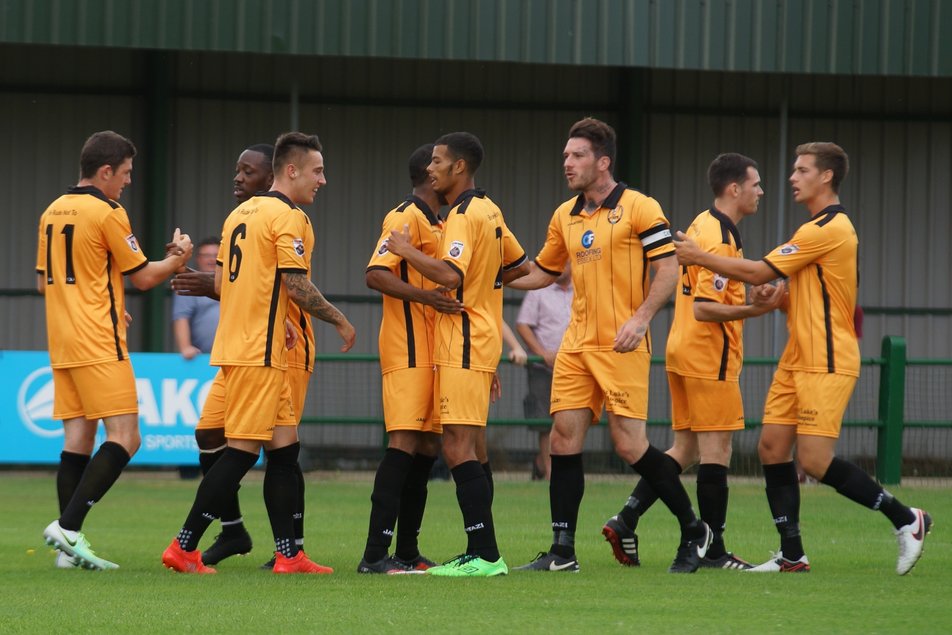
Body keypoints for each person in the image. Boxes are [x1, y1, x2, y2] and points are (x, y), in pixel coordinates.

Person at [674, 141, 932, 575]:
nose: (792, 178)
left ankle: (906, 519)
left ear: (826, 176)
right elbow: (798, 291)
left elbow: (757, 270)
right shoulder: (810, 229)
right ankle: (792, 554)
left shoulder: (829, 228)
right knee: (772, 448)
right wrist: (776, 298)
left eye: (802, 170)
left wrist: (700, 257)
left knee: (813, 460)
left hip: (827, 360)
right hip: (797, 358)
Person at [509, 117, 712, 574]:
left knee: (628, 445)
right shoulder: (565, 215)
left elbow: (669, 269)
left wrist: (641, 319)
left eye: (576, 155)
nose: (567, 162)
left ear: (603, 162)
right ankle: (562, 552)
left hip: (622, 345)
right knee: (562, 441)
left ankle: (693, 528)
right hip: (577, 346)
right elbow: (543, 272)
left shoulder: (640, 207)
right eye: (565, 155)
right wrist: (492, 278)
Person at [162, 132, 356, 574]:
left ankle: (290, 555)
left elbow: (245, 284)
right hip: (261, 353)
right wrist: (340, 320)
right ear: (292, 171)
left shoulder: (240, 215)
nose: (322, 181)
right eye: (317, 171)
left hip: (238, 347)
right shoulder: (291, 217)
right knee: (244, 451)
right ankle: (185, 545)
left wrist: (282, 319)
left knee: (284, 450)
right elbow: (295, 284)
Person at [602, 153, 784, 571]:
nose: (761, 191)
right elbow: (706, 307)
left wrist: (747, 297)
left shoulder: (702, 223)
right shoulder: (719, 236)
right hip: (708, 356)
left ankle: (626, 518)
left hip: (681, 350)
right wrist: (756, 310)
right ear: (734, 188)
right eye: (755, 184)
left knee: (683, 448)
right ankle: (714, 549)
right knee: (718, 449)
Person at [39, 130, 193, 570]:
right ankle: (67, 528)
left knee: (77, 440)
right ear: (105, 171)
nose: (127, 181)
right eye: (125, 173)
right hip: (98, 340)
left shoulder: (53, 210)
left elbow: (48, 280)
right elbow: (144, 276)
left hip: (63, 339)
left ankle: (68, 550)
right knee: (126, 437)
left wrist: (106, 300)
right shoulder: (108, 212)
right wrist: (180, 257)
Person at [385, 132, 530, 577]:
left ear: (459, 167)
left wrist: (407, 250)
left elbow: (449, 275)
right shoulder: (490, 209)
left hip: (463, 337)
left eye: (438, 161)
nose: (430, 169)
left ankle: (484, 556)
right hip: (480, 337)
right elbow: (520, 265)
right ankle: (485, 550)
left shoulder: (464, 216)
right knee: (474, 448)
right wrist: (485, 282)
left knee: (457, 445)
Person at [358, 144, 464, 574]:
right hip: (407, 349)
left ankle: (406, 551)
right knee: (402, 444)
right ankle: (373, 555)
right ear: (427, 170)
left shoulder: (438, 222)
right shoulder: (404, 216)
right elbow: (374, 273)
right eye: (438, 162)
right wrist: (425, 298)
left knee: (426, 448)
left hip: (433, 351)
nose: (443, 169)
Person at [515, 265, 573, 481]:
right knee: (544, 421)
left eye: (563, 261)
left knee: (569, 419)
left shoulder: (582, 288)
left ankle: (543, 464)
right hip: (542, 367)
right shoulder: (538, 289)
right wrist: (542, 354)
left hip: (572, 367)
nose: (559, 266)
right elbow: (522, 324)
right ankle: (549, 472)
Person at [172, 237, 220, 358]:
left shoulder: (236, 283)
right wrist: (185, 347)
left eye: (217, 255)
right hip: (202, 358)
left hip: (236, 356)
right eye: (206, 255)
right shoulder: (190, 283)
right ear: (198, 259)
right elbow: (181, 317)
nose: (212, 259)